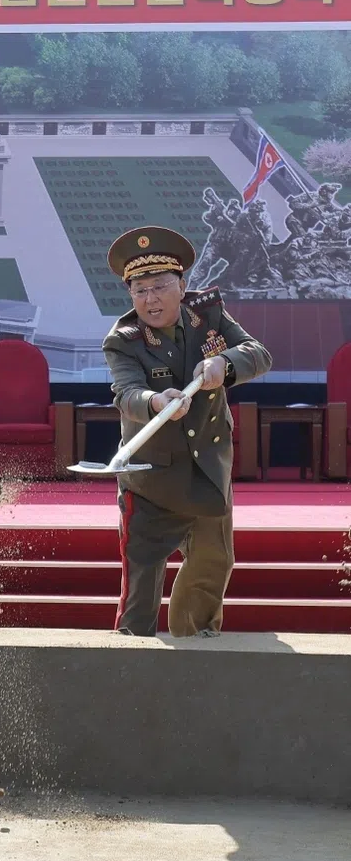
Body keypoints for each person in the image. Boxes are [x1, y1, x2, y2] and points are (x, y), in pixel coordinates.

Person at [102, 227, 272, 638]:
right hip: (151, 477)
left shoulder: (209, 314)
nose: (151, 299)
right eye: (140, 290)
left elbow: (258, 354)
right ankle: (130, 661)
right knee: (140, 585)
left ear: (183, 286)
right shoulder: (123, 341)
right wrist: (157, 402)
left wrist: (224, 366)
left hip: (208, 470)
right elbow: (126, 393)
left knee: (213, 562)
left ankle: (196, 644)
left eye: (160, 286)